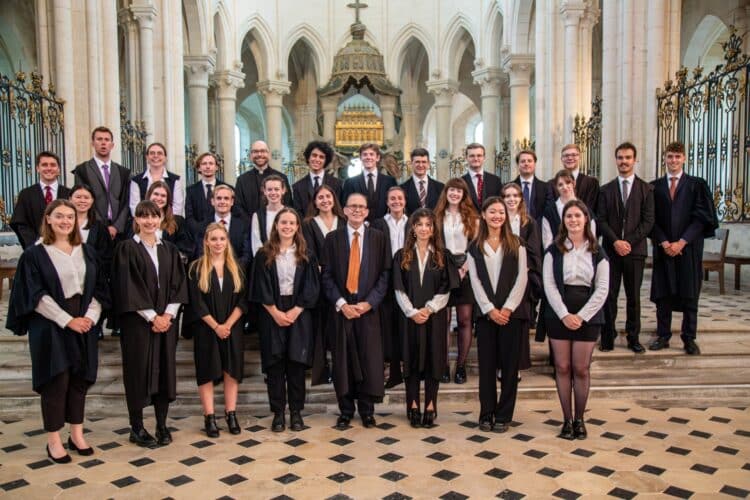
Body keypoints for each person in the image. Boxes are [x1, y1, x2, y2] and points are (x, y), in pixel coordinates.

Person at [6, 200, 107, 463]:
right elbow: (35, 295)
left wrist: (89, 318)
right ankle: (53, 440)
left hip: (84, 321)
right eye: (59, 216)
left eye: (70, 217)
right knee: (57, 380)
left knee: (80, 379)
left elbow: (97, 289)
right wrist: (67, 320)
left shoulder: (86, 251)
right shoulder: (35, 254)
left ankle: (77, 434)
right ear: (48, 219)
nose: (65, 221)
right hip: (50, 325)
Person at [112, 200, 188, 448]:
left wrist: (167, 315)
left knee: (164, 371)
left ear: (161, 219)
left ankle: (162, 424)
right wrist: (152, 316)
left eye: (154, 216)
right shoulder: (126, 249)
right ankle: (136, 427)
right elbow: (128, 286)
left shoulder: (169, 249)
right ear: (136, 219)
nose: (149, 221)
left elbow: (178, 285)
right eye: (143, 216)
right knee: (137, 372)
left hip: (166, 322)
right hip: (138, 324)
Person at [321, 193, 391, 428]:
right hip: (342, 309)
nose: (357, 210)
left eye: (362, 207)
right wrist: (341, 304)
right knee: (343, 362)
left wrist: (369, 303)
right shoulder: (332, 239)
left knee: (369, 361)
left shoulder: (379, 238)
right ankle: (346, 410)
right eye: (353, 207)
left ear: (368, 211)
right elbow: (327, 275)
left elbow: (385, 274)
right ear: (345, 210)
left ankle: (367, 411)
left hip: (368, 310)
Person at [543, 200, 609, 440]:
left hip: (588, 313)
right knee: (562, 367)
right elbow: (549, 284)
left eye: (577, 216)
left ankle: (580, 419)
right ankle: (566, 420)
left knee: (580, 369)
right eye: (569, 216)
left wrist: (581, 316)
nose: (573, 220)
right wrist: (563, 314)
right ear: (564, 221)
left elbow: (602, 288)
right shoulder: (554, 249)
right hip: (558, 311)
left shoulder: (597, 250)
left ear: (586, 220)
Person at [252, 208, 320, 432]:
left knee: (296, 365)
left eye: (292, 223)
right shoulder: (264, 253)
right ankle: (278, 413)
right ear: (276, 225)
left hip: (299, 311)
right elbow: (260, 286)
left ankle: (296, 413)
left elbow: (312, 286)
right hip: (272, 310)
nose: (288, 226)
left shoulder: (306, 254)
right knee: (274, 365)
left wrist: (296, 310)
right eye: (283, 222)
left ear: (298, 227)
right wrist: (275, 312)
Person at [649, 141, 718, 355]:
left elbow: (702, 218)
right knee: (663, 294)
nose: (673, 161)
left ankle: (689, 338)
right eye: (670, 156)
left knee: (689, 294)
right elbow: (650, 219)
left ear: (684, 159)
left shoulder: (697, 185)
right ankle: (663, 335)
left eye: (677, 157)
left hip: (688, 249)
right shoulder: (655, 186)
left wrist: (682, 241)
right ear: (665, 159)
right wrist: (663, 241)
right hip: (664, 248)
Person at [467, 197, 528, 432]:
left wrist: (507, 308)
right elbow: (475, 281)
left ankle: (504, 414)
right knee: (487, 367)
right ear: (483, 215)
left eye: (501, 212)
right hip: (486, 316)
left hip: (511, 315)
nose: (497, 216)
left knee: (510, 367)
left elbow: (521, 279)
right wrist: (490, 309)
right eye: (492, 212)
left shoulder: (517, 244)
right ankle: (486, 412)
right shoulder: (475, 246)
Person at [394, 208, 455, 428]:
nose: (423, 228)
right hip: (409, 318)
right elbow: (398, 288)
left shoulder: (442, 255)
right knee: (410, 360)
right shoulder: (401, 256)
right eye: (419, 224)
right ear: (412, 228)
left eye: (428, 225)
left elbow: (446, 287)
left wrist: (429, 309)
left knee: (433, 359)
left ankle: (430, 404)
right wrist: (411, 312)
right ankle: (412, 404)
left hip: (434, 318)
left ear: (433, 229)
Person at [185, 223, 247, 437]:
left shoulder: (237, 267)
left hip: (232, 328)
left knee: (231, 371)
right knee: (206, 371)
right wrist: (216, 326)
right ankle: (209, 416)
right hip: (206, 328)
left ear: (227, 241)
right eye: (214, 239)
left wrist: (227, 325)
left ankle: (231, 414)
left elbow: (243, 300)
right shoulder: (196, 268)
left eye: (222, 239)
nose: (218, 243)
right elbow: (197, 302)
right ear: (206, 242)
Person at [596, 142, 654, 353]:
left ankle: (633, 337)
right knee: (608, 295)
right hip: (611, 251)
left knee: (633, 297)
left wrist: (628, 242)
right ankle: (608, 336)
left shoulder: (646, 189)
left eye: (628, 157)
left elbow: (648, 222)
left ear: (634, 159)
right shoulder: (605, 190)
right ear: (616, 160)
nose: (624, 161)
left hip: (635, 251)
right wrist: (616, 242)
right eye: (620, 157)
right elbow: (600, 220)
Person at [434, 178, 479, 384]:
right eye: (451, 189)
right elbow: (434, 244)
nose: (455, 193)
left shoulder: (472, 217)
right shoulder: (437, 216)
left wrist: (465, 267)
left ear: (464, 194)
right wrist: (446, 268)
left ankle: (460, 366)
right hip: (443, 268)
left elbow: (476, 246)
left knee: (464, 320)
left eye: (459, 191)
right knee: (442, 321)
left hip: (466, 268)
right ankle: (443, 365)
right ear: (446, 192)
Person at [302, 184, 346, 386]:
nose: (325, 200)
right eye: (320, 197)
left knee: (339, 329)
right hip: (319, 283)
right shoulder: (309, 224)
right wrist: (321, 268)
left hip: (342, 283)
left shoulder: (344, 221)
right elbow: (308, 252)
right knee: (320, 328)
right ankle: (322, 370)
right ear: (315, 202)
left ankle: (341, 369)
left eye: (328, 196)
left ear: (334, 199)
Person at [371, 186, 410, 388]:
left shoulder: (412, 222)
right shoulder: (377, 224)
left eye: (399, 198)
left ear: (404, 201)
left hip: (407, 280)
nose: (396, 201)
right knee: (387, 327)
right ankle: (389, 370)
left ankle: (403, 370)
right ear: (387, 202)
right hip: (384, 279)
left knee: (404, 325)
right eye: (392, 198)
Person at [501, 183, 542, 372]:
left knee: (518, 324)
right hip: (499, 278)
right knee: (502, 321)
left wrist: (524, 268)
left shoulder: (529, 222)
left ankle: (516, 365)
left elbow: (534, 250)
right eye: (507, 196)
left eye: (515, 196)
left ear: (520, 199)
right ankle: (501, 364)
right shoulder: (497, 219)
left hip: (522, 278)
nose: (511, 199)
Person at [72, 126, 132, 241]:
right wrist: (102, 227)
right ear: (93, 143)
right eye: (99, 139)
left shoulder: (123, 172)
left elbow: (126, 202)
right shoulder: (82, 170)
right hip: (94, 229)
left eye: (106, 140)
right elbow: (83, 199)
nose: (103, 143)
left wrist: (116, 227)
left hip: (119, 232)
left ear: (112, 145)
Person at [10, 151, 72, 248]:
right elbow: (20, 223)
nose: (49, 168)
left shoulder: (69, 194)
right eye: (44, 165)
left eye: (53, 165)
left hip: (65, 247)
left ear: (58, 169)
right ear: (38, 168)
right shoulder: (26, 194)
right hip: (36, 249)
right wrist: (35, 244)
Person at [190, 185, 252, 269]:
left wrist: (232, 270)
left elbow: (247, 255)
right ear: (212, 201)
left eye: (226, 198)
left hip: (238, 273)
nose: (222, 202)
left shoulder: (243, 225)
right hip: (211, 274)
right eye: (219, 198)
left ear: (232, 202)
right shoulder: (203, 226)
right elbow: (201, 253)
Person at [235, 140, 293, 218]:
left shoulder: (282, 177)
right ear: (250, 155)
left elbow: (288, 204)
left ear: (268, 154)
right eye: (255, 151)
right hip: (249, 227)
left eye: (263, 151)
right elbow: (239, 207)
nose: (259, 154)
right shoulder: (242, 180)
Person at [341, 143, 397, 221]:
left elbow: (394, 206)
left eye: (371, 154)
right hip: (359, 226)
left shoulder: (390, 181)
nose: (368, 157)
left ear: (377, 158)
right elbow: (346, 207)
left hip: (384, 227)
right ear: (360, 157)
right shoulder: (350, 183)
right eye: (365, 154)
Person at [542, 170, 597, 249]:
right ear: (556, 187)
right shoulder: (549, 212)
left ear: (574, 183)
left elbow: (591, 238)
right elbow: (547, 243)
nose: (565, 187)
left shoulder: (586, 210)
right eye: (560, 184)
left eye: (568, 183)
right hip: (558, 257)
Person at [129, 142, 185, 216]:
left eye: (159, 153)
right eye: (152, 153)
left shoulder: (176, 180)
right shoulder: (136, 181)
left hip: (169, 224)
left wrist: (165, 223)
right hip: (143, 223)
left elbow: (177, 208)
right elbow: (134, 207)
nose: (155, 156)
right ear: (147, 157)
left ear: (165, 158)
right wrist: (149, 222)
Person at [145, 181, 195, 259]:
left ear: (168, 200)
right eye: (156, 194)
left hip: (169, 266)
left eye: (163, 196)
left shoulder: (178, 221)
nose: (159, 198)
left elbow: (186, 249)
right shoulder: (138, 220)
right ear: (149, 196)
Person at [292, 141, 342, 216]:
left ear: (326, 161)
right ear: (308, 158)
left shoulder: (336, 184)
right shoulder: (298, 186)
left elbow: (338, 210)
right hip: (306, 226)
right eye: (314, 155)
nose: (317, 159)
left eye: (321, 157)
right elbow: (298, 214)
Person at [250, 175, 289, 255]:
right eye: (269, 189)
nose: (273, 193)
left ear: (283, 190)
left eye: (276, 189)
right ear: (264, 191)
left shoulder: (290, 214)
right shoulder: (257, 215)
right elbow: (256, 244)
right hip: (266, 261)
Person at [185, 152, 227, 225]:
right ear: (199, 168)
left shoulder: (227, 189)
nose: (208, 167)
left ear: (216, 167)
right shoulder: (191, 190)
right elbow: (189, 217)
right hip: (198, 234)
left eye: (211, 163)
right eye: (204, 164)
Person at [556, 144, 599, 215]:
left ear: (580, 157)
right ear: (561, 159)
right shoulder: (551, 184)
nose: (570, 158)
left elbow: (592, 208)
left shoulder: (592, 183)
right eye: (566, 155)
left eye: (574, 155)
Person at [401, 148, 444, 213]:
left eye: (424, 162)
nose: (420, 165)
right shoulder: (402, 188)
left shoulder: (440, 187)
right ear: (411, 163)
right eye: (417, 162)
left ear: (428, 164)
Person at [461, 143, 503, 211]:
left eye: (479, 155)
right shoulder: (461, 182)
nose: (476, 158)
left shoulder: (495, 180)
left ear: (484, 158)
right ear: (466, 158)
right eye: (472, 156)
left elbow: (500, 203)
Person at [512, 149, 550, 221]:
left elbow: (547, 212)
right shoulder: (509, 187)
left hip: (538, 229)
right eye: (523, 161)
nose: (526, 164)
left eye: (529, 161)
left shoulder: (545, 187)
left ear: (534, 164)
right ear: (518, 165)